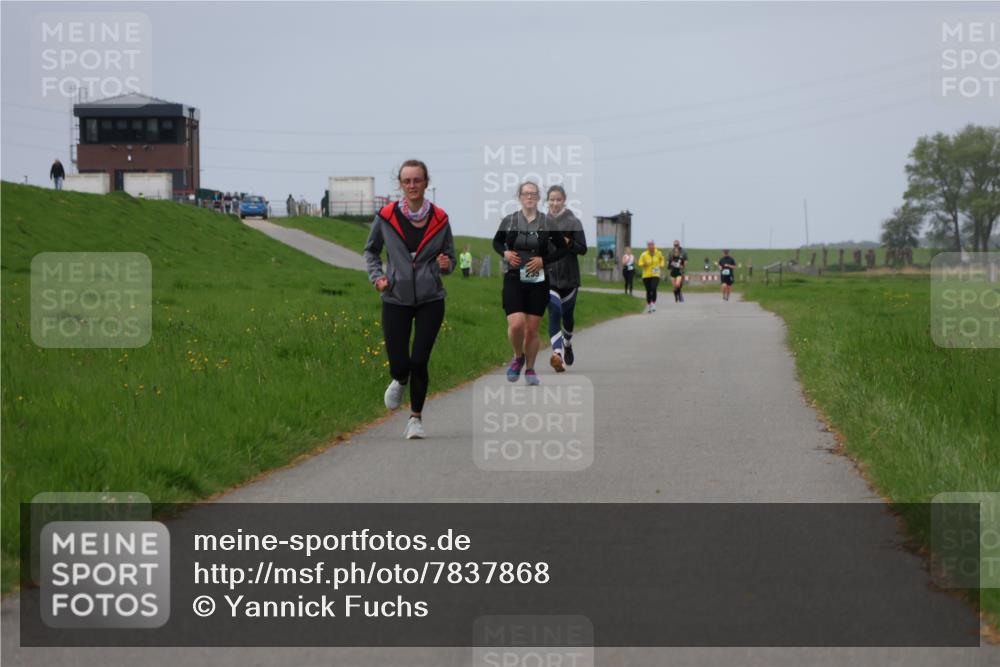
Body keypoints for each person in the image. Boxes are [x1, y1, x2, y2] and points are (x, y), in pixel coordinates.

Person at [364, 159, 455, 440]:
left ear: (426, 183)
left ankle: (415, 419)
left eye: (417, 180)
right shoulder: (386, 217)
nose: (412, 186)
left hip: (431, 298)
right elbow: (371, 252)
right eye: (407, 181)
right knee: (400, 362)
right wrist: (378, 277)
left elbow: (450, 258)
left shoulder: (440, 219)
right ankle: (399, 378)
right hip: (395, 297)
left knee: (419, 360)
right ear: (400, 184)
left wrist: (445, 264)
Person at [493, 181, 569, 386]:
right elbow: (497, 242)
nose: (529, 197)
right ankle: (518, 357)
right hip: (514, 277)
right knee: (516, 324)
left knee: (532, 329)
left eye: (533, 194)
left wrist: (544, 260)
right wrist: (505, 253)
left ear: (538, 198)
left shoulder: (547, 223)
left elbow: (562, 249)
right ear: (519, 196)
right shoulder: (509, 221)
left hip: (538, 279)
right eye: (526, 194)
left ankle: (530, 369)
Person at [544, 185, 587, 373]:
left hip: (569, 279)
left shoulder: (574, 222)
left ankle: (567, 343)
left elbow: (583, 248)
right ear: (547, 201)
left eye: (558, 200)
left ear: (564, 201)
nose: (554, 203)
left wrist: (568, 241)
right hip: (549, 277)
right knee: (554, 311)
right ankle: (557, 355)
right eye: (551, 200)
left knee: (567, 318)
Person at [637, 240, 664, 313]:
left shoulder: (658, 253)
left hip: (656, 274)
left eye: (652, 244)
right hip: (646, 275)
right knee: (648, 291)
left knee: (653, 288)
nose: (651, 246)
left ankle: (653, 303)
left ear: (654, 245)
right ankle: (649, 305)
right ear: (647, 246)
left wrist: (661, 265)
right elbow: (639, 263)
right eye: (649, 245)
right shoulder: (644, 254)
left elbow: (662, 260)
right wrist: (643, 264)